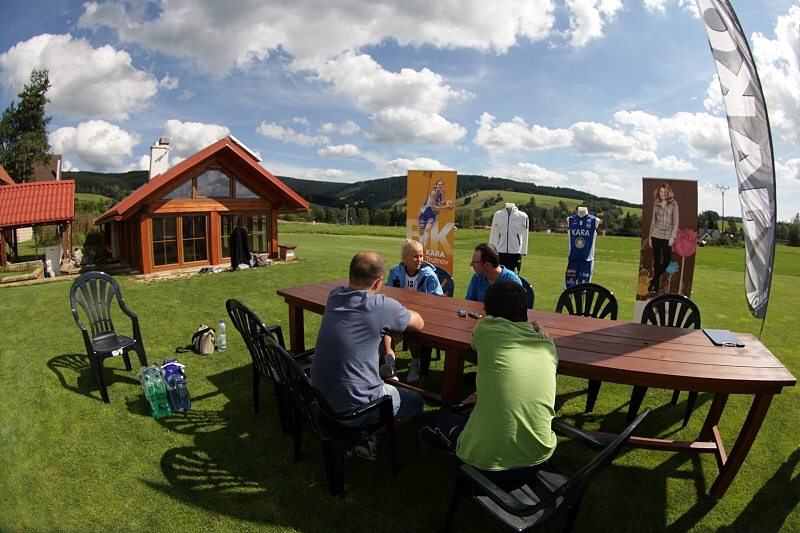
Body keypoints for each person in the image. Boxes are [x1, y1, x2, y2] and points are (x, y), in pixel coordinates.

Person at [421, 282, 558, 486]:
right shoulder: (547, 345)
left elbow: (475, 343)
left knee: (439, 420)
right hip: (540, 458)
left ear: (488, 313)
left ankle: (427, 437)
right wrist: (539, 327)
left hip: (486, 467)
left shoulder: (485, 329)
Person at [311, 251, 425, 429]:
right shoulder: (382, 306)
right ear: (379, 281)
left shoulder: (335, 295)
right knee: (416, 402)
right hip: (356, 409)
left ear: (351, 274)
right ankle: (369, 433)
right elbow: (418, 323)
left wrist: (388, 324)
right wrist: (393, 320)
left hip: (322, 400)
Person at [382, 239, 443, 383]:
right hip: (398, 312)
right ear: (405, 258)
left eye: (421, 256)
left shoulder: (429, 275)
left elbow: (437, 300)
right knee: (386, 329)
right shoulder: (395, 271)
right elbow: (389, 293)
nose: (419, 259)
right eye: (415, 256)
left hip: (421, 316)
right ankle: (390, 364)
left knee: (411, 331)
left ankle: (415, 363)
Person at [644, 183, 679, 294]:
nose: (662, 194)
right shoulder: (656, 204)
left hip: (668, 236)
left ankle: (654, 281)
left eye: (664, 192)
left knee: (667, 260)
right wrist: (650, 237)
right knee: (657, 260)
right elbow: (653, 221)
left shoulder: (674, 204)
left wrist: (672, 237)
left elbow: (676, 222)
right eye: (660, 192)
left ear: (668, 192)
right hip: (656, 234)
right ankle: (655, 286)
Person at [418, 179, 454, 248]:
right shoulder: (433, 193)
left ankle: (423, 243)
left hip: (433, 213)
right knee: (422, 230)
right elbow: (433, 206)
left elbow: (439, 203)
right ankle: (421, 242)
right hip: (425, 211)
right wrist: (445, 207)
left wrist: (445, 203)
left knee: (427, 228)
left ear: (443, 186)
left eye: (441, 184)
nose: (440, 185)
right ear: (436, 185)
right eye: (439, 184)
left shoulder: (441, 195)